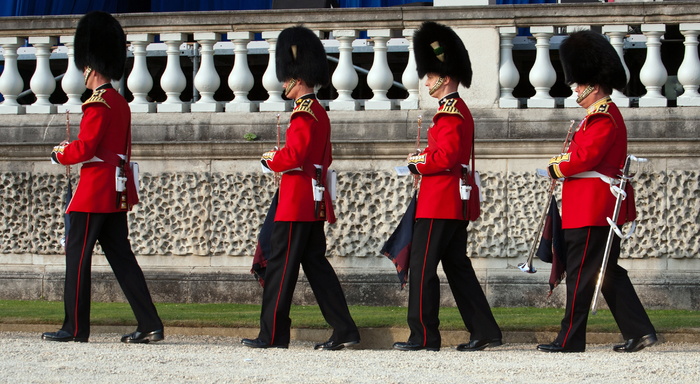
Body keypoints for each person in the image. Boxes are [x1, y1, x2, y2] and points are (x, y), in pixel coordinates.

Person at [42, 11, 164, 344]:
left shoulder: (97, 104)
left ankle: (75, 328)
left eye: (84, 67)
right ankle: (150, 323)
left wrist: (60, 154)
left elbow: (87, 147)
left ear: (91, 68)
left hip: (95, 189)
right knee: (122, 258)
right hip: (115, 189)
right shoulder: (119, 102)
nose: (82, 72)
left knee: (77, 257)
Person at [537, 30, 656, 353]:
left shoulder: (603, 118)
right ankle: (640, 331)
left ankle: (570, 339)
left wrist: (555, 167)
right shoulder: (593, 119)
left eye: (578, 83)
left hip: (593, 208)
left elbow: (584, 158)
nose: (575, 88)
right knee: (607, 271)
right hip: (588, 206)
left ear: (594, 84)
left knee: (580, 275)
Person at [242, 26, 360, 351]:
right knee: (316, 267)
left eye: (286, 77)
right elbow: (324, 156)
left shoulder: (304, 113)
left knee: (280, 267)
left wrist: (271, 159)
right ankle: (345, 328)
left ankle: (272, 334)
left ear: (297, 77)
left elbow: (294, 155)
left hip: (295, 202)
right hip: (313, 201)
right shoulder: (318, 113)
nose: (283, 83)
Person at [393, 21, 502, 352]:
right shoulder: (449, 112)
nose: (426, 80)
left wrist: (416, 162)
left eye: (430, 74)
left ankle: (424, 336)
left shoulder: (452, 113)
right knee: (457, 268)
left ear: (445, 76)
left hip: (439, 202)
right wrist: (424, 157)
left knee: (422, 267)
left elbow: (445, 158)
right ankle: (485, 330)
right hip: (447, 201)